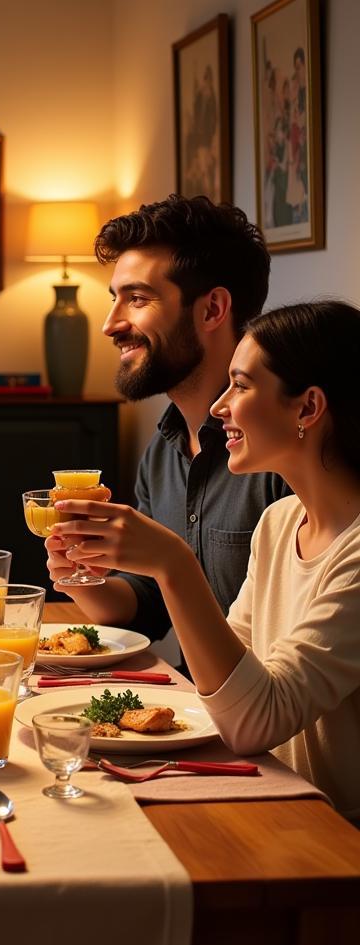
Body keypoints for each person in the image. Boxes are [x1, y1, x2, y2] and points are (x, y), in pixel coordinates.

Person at [49, 301, 360, 820]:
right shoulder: (282, 522)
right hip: (268, 796)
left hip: (331, 840)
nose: (220, 407)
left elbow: (252, 720)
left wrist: (173, 562)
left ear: (307, 409)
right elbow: (227, 679)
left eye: (240, 385)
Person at [44, 195, 290, 658]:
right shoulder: (163, 449)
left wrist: (167, 560)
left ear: (213, 309)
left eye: (136, 299)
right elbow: (148, 605)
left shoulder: (283, 448)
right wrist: (82, 578)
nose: (110, 325)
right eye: (114, 299)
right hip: (190, 702)